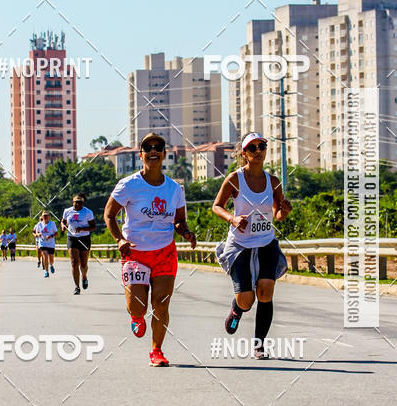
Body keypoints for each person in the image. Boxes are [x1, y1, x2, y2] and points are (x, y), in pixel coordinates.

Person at [104, 132, 196, 367]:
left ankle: (157, 350)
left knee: (162, 303)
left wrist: (185, 232)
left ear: (164, 154)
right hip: (134, 252)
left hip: (164, 251)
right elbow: (109, 215)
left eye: (158, 147)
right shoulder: (129, 185)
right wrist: (119, 240)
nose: (153, 151)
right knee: (137, 306)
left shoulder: (175, 189)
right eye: (148, 148)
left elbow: (179, 220)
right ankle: (136, 317)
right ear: (141, 155)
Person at [212, 132, 291, 359]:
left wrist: (283, 212)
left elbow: (277, 214)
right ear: (244, 153)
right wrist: (233, 219)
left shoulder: (273, 182)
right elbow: (217, 206)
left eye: (262, 146)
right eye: (253, 147)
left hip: (266, 242)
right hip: (240, 244)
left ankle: (259, 345)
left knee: (265, 291)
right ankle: (238, 309)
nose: (258, 151)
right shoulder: (234, 179)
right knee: (247, 298)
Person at [61, 193, 96, 295]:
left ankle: (84, 277)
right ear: (73, 202)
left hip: (84, 238)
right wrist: (63, 226)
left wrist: (82, 229)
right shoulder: (67, 211)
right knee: (74, 262)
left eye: (80, 203)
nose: (78, 205)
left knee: (83, 263)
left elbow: (93, 227)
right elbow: (63, 221)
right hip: (72, 238)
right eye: (76, 203)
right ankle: (77, 287)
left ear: (83, 203)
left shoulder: (88, 212)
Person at [35, 211, 57, 278]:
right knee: (45, 256)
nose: (45, 217)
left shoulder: (52, 224)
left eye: (46, 215)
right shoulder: (39, 224)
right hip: (42, 243)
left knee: (51, 258)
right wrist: (39, 234)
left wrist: (50, 236)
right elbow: (36, 233)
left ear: (49, 216)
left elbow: (56, 233)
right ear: (42, 217)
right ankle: (46, 271)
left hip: (50, 244)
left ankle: (51, 265)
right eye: (44, 216)